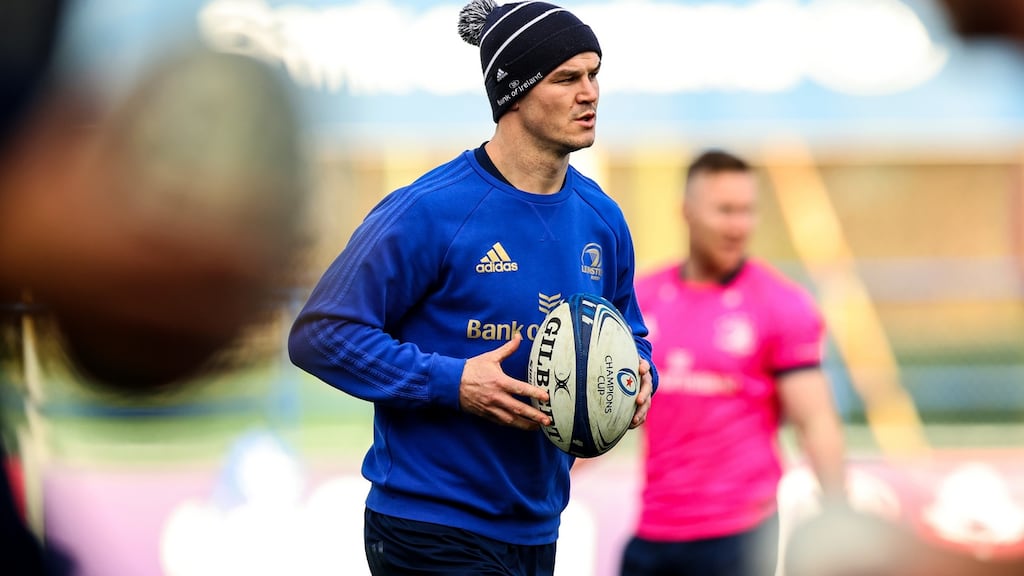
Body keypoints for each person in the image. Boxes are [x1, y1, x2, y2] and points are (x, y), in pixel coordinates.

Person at [288, 1, 657, 574]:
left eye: (594, 73)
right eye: (567, 78)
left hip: (538, 524)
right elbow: (321, 335)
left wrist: (639, 374)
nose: (590, 93)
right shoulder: (428, 211)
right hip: (429, 525)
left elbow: (628, 326)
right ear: (513, 93)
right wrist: (452, 382)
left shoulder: (601, 219)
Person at [619, 149, 846, 576]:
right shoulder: (641, 300)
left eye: (747, 211)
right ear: (686, 212)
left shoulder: (781, 303)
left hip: (739, 535)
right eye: (724, 210)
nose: (738, 225)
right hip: (653, 529)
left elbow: (815, 422)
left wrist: (840, 515)